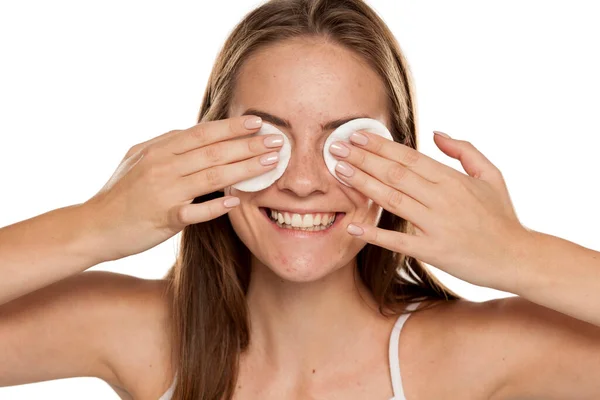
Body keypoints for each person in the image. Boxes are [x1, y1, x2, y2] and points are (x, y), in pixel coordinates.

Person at [1, 0, 600, 399]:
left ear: (402, 158)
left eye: (347, 142)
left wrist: (517, 255)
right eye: (266, 138)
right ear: (208, 149)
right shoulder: (141, 335)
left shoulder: (473, 354)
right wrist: (96, 224)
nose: (305, 181)